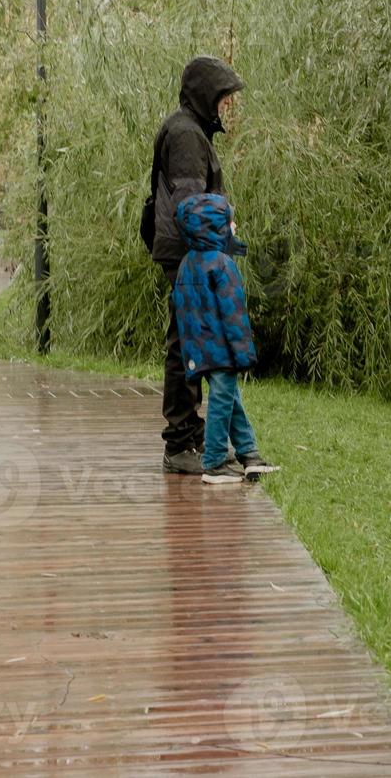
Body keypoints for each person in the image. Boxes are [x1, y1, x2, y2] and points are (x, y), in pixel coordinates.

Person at [150, 55, 243, 474]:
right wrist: (221, 231)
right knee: (187, 344)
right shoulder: (187, 135)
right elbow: (192, 208)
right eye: (223, 98)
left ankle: (192, 433)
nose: (226, 107)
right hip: (190, 253)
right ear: (206, 96)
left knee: (191, 340)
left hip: (190, 250)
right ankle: (180, 442)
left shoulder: (189, 130)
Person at [171, 192, 278, 485]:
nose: (235, 227)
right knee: (222, 400)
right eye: (230, 223)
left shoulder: (187, 263)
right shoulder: (222, 264)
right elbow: (234, 315)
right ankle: (215, 461)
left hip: (199, 349)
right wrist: (243, 353)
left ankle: (249, 454)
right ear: (215, 227)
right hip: (222, 350)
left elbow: (181, 310)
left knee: (229, 397)